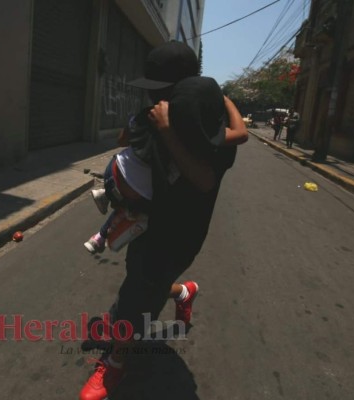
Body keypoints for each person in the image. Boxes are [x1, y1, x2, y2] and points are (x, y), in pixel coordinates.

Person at [79, 41, 246, 400]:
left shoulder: (195, 125)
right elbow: (124, 139)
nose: (156, 99)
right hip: (145, 222)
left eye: (161, 91)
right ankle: (182, 293)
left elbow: (204, 178)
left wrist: (168, 131)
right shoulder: (161, 116)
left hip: (176, 234)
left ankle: (116, 364)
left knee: (137, 297)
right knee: (142, 281)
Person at [83, 94, 247, 254]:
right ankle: (106, 234)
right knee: (144, 210)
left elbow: (122, 141)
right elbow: (241, 134)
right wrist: (226, 100)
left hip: (112, 171)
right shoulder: (200, 130)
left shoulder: (152, 112)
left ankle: (107, 197)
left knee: (134, 192)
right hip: (140, 195)